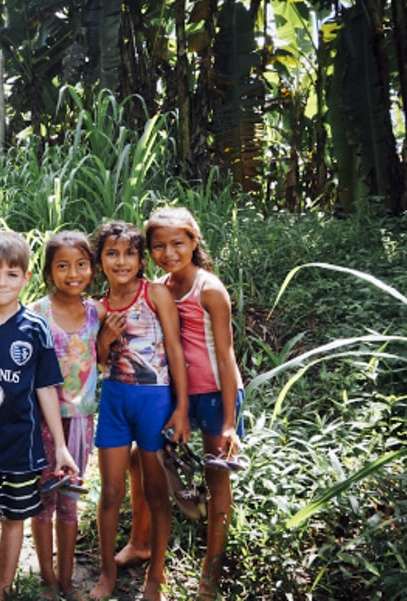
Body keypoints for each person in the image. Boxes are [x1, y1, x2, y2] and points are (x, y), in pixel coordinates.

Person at [0, 230, 79, 601]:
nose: (2, 282)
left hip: (20, 444)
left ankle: (3, 589)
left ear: (26, 278)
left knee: (14, 518)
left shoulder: (35, 327)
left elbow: (47, 388)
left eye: (11, 274)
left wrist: (60, 447)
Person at [145, 207, 246, 601]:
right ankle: (151, 549)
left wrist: (229, 422)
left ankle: (211, 573)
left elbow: (226, 356)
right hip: (177, 394)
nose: (169, 253)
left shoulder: (209, 289)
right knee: (155, 459)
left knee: (216, 477)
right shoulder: (160, 288)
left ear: (193, 242)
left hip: (216, 395)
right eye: (159, 246)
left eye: (177, 243)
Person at [89, 221, 190, 601]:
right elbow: (98, 364)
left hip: (155, 401)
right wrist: (104, 339)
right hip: (115, 401)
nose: (121, 261)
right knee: (111, 491)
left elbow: (175, 351)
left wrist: (181, 408)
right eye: (112, 253)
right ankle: (106, 572)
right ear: (100, 260)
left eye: (130, 253)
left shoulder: (156, 294)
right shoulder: (98, 308)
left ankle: (156, 574)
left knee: (155, 490)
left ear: (141, 259)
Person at [27, 231, 105, 600]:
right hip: (44, 420)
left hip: (82, 420)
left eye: (81, 264)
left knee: (70, 501)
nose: (73, 273)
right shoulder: (37, 313)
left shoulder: (96, 311)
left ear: (91, 267)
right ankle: (45, 577)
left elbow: (99, 356)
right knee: (44, 501)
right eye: (62, 266)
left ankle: (66, 578)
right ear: (49, 272)